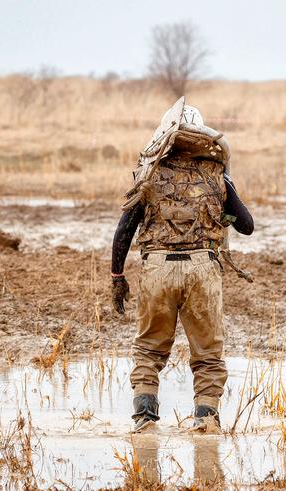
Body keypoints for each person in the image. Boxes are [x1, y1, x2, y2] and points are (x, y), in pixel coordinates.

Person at [110, 103, 253, 433]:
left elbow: (123, 230)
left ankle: (144, 422)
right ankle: (206, 420)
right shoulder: (217, 176)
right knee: (208, 354)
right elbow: (246, 225)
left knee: (147, 349)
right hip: (203, 269)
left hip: (157, 269)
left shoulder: (149, 174)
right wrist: (222, 206)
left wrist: (117, 276)